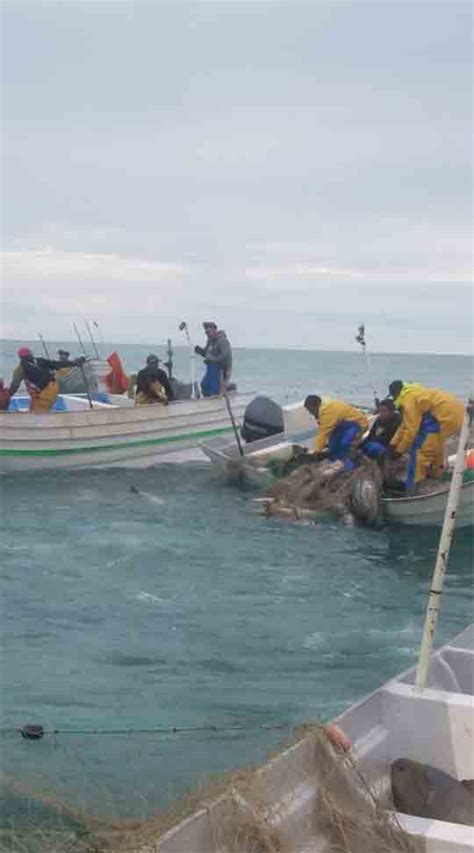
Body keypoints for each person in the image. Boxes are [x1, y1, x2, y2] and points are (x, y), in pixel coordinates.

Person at [383, 380, 465, 490]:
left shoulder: (408, 401)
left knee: (419, 451)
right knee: (436, 445)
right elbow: (405, 424)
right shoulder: (413, 393)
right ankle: (437, 474)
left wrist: (398, 452)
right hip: (457, 414)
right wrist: (392, 444)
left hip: (444, 417)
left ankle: (412, 486)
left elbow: (411, 430)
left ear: (395, 395)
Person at [9, 347, 84, 413]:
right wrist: (75, 363)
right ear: (31, 354)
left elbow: (14, 385)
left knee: (40, 415)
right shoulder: (40, 360)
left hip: (43, 395)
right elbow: (56, 364)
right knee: (34, 407)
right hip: (53, 387)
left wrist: (7, 396)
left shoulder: (20, 369)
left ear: (20, 358)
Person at [303, 395, 369, 470]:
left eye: (310, 410)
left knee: (345, 443)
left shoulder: (326, 412)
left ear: (315, 406)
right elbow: (326, 428)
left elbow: (322, 434)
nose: (310, 413)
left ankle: (353, 463)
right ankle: (338, 459)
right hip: (342, 425)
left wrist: (316, 451)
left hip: (358, 424)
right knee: (333, 446)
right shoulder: (323, 405)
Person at [194, 322, 232, 397]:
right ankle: (208, 400)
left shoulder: (222, 340)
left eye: (209, 332)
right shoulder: (210, 341)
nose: (207, 334)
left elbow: (225, 356)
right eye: (206, 332)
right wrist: (200, 351)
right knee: (204, 384)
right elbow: (206, 354)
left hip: (221, 369)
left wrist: (213, 359)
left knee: (214, 388)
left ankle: (216, 400)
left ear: (214, 330)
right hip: (210, 368)